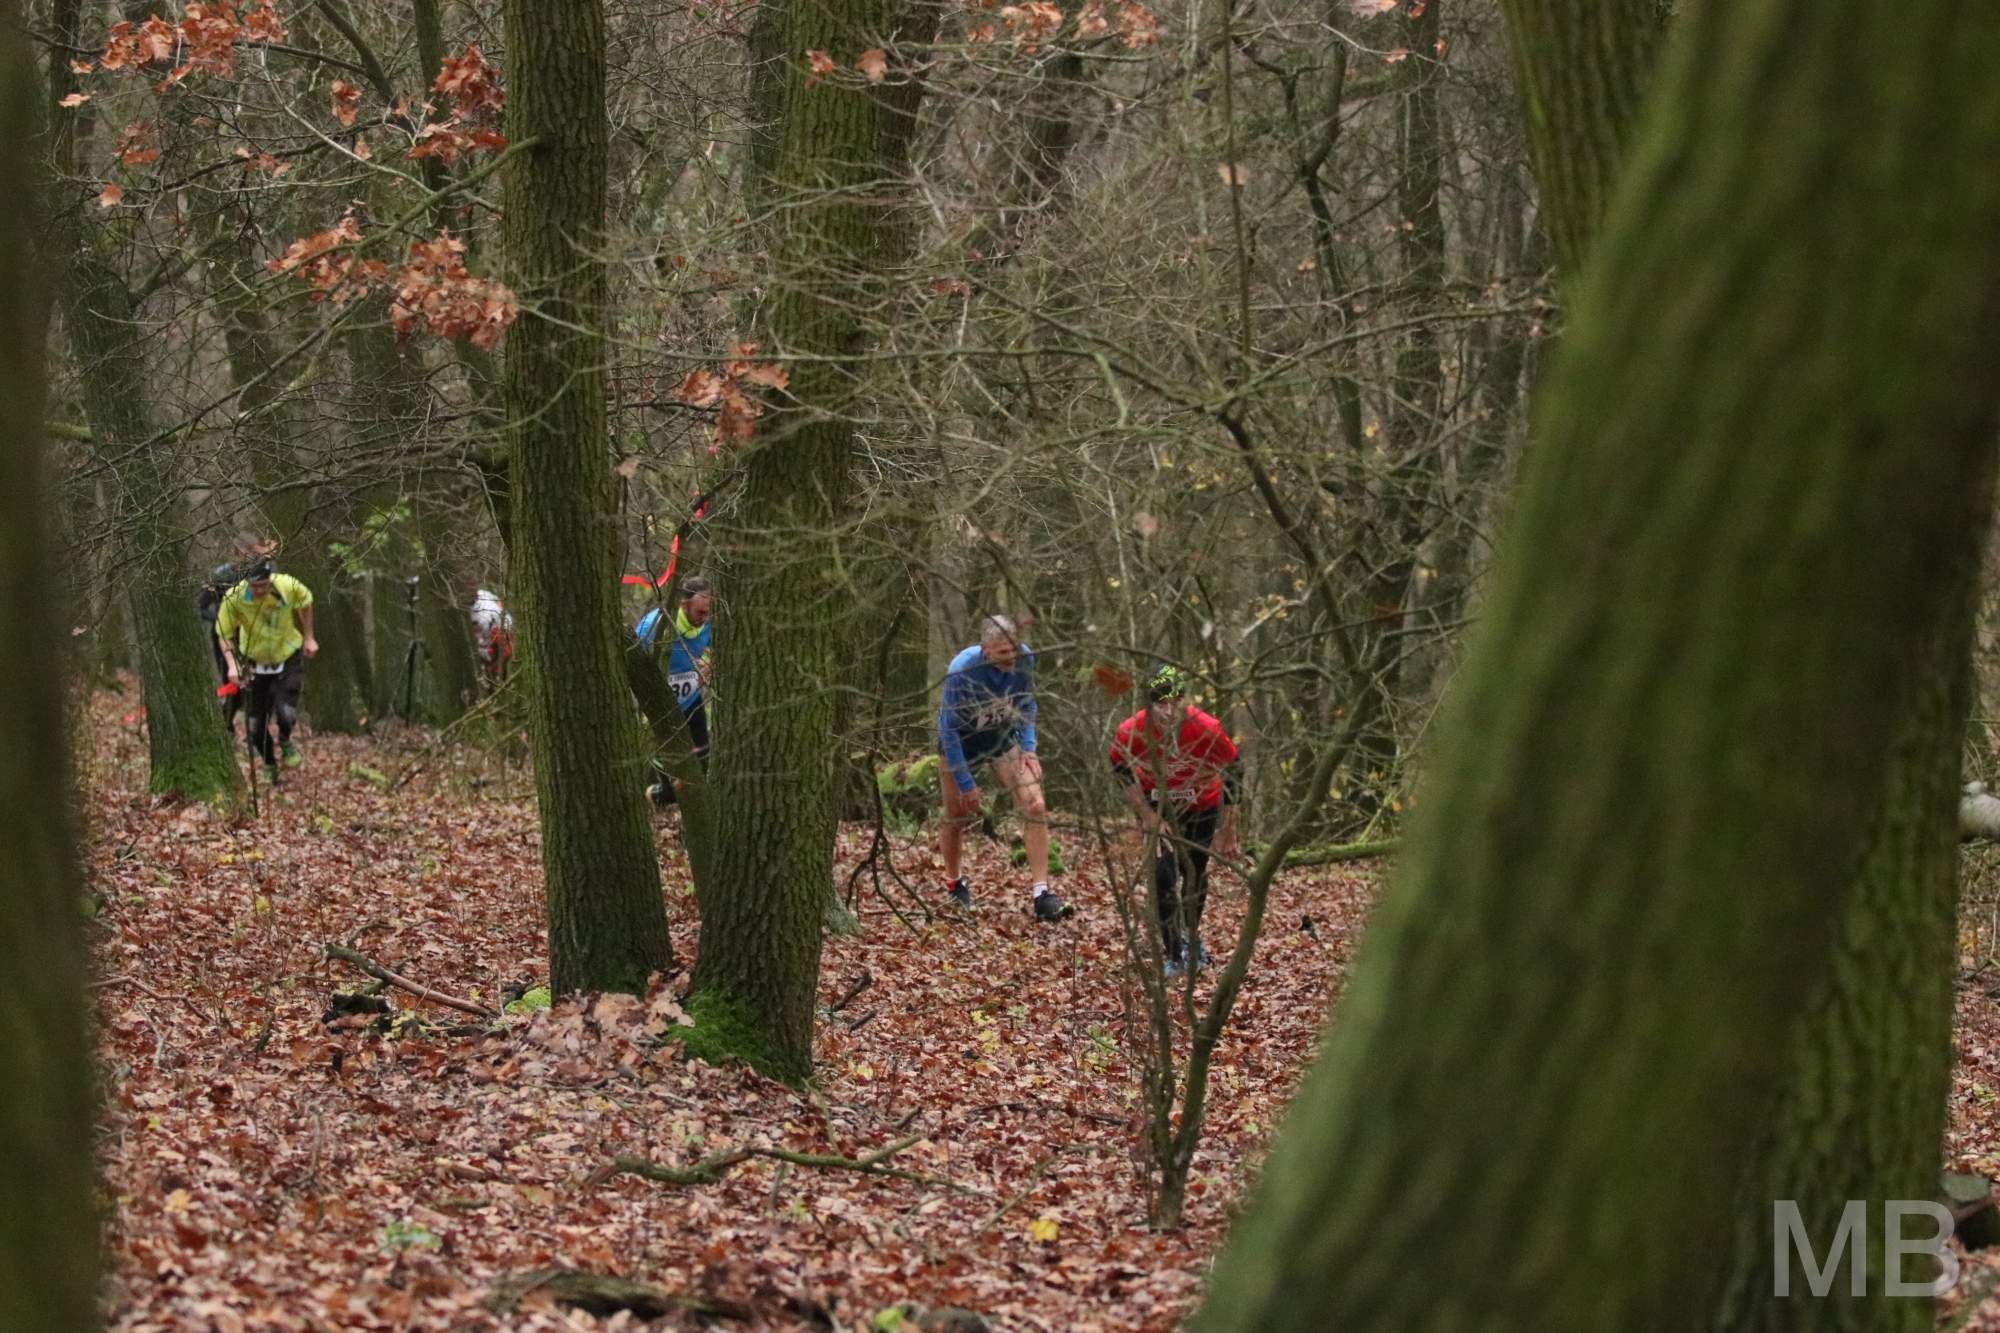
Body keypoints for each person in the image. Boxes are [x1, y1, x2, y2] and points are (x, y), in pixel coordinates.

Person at [937, 615, 1073, 921]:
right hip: (960, 740)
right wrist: (966, 782)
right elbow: (947, 731)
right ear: (986, 650)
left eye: (1012, 653)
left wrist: (1029, 748)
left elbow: (1027, 705)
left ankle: (1042, 894)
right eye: (1001, 655)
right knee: (957, 814)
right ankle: (954, 883)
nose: (1009, 662)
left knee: (1035, 804)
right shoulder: (961, 672)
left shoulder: (1025, 660)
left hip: (999, 735)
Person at [1110, 664, 1241, 976]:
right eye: (1160, 704)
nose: (1169, 712)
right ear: (1149, 705)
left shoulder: (1205, 727)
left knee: (1193, 874)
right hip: (1159, 809)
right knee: (1163, 877)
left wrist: (1228, 830)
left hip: (1202, 806)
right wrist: (1147, 816)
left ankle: (1193, 939)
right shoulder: (1133, 730)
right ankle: (1173, 953)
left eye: (1175, 703)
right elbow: (1118, 766)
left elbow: (1235, 770)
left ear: (1185, 700)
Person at [214, 554, 317, 787]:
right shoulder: (235, 597)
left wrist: (309, 637)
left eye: (264, 585)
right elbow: (223, 633)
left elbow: (306, 601)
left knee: (286, 711)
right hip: (254, 663)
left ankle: (285, 739)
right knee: (255, 726)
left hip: (286, 655)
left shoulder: (287, 585)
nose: (260, 590)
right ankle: (269, 764)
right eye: (255, 586)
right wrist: (232, 664)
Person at [636, 575, 712, 808]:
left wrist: (708, 666)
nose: (705, 618)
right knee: (675, 775)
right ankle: (654, 795)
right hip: (660, 707)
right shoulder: (655, 627)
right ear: (683, 604)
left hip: (690, 701)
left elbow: (705, 651)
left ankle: (672, 806)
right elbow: (633, 665)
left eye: (709, 612)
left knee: (702, 763)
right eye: (700, 612)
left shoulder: (706, 626)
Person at [196, 561, 244, 734]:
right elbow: (200, 605)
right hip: (224, 634)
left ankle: (256, 734)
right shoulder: (220, 575)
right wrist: (218, 618)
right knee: (232, 685)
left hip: (251, 635)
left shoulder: (258, 573)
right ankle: (226, 728)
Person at [468, 586, 514, 683]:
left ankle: (499, 676)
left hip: (502, 631)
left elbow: (498, 602)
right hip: (492, 642)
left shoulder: (483, 594)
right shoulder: (473, 615)